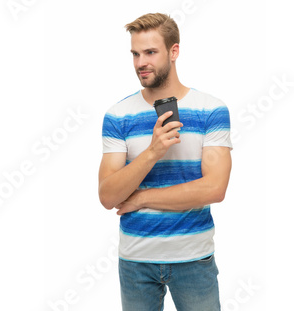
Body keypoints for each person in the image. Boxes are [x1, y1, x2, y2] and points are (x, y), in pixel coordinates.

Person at [98, 13, 232, 310]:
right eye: (135, 53)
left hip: (193, 257)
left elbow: (214, 189)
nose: (140, 63)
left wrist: (142, 198)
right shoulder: (118, 115)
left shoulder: (211, 110)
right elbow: (108, 196)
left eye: (150, 52)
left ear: (174, 52)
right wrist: (153, 151)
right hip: (135, 261)